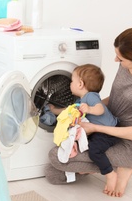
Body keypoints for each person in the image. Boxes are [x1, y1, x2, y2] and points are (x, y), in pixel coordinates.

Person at [45, 27, 132, 197]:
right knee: (53, 174)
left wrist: (95, 128)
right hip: (105, 126)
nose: (116, 59)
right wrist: (81, 111)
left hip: (127, 143)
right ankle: (102, 167)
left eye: (120, 58)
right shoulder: (126, 66)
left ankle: (123, 166)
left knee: (55, 156)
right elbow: (114, 98)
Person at [50, 64, 119, 194]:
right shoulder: (81, 100)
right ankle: (88, 168)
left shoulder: (90, 96)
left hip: (108, 132)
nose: (70, 83)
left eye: (72, 81)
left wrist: (89, 109)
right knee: (82, 144)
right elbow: (69, 111)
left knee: (94, 151)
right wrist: (54, 111)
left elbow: (100, 108)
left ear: (80, 84)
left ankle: (110, 174)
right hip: (97, 131)